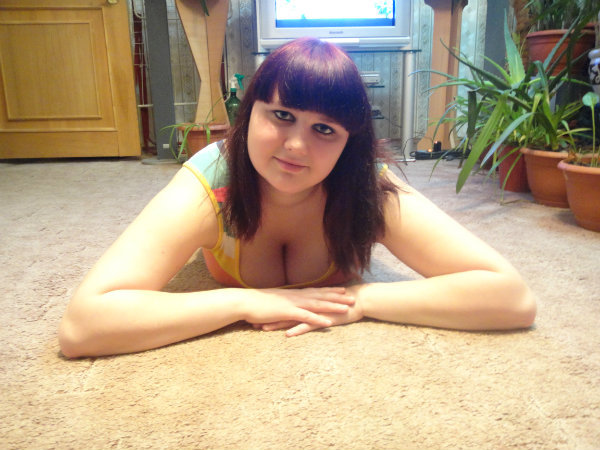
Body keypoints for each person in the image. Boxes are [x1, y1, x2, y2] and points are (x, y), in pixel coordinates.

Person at [59, 38, 536, 358]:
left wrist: (361, 300)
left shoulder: (368, 187)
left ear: (349, 143)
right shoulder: (210, 185)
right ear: (249, 113)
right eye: (282, 115)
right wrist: (242, 303)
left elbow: (511, 298)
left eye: (324, 129)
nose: (296, 146)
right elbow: (83, 326)